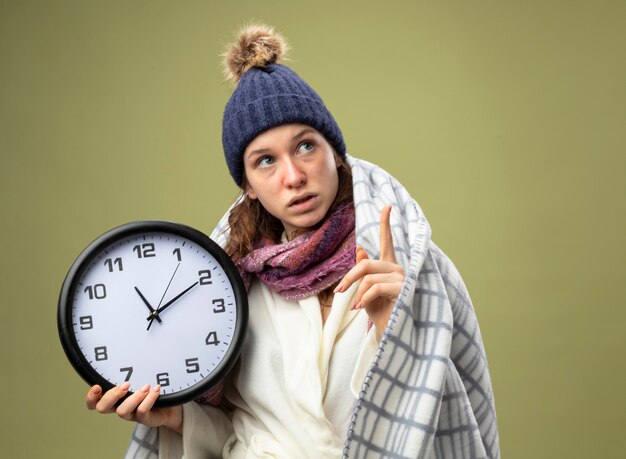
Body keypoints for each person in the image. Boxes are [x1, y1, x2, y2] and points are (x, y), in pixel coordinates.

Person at [86, 24, 500, 458]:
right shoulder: (229, 290)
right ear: (247, 185)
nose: (293, 176)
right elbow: (242, 431)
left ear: (335, 154)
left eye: (305, 147)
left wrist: (396, 330)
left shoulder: (412, 268)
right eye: (265, 161)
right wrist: (177, 418)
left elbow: (452, 417)